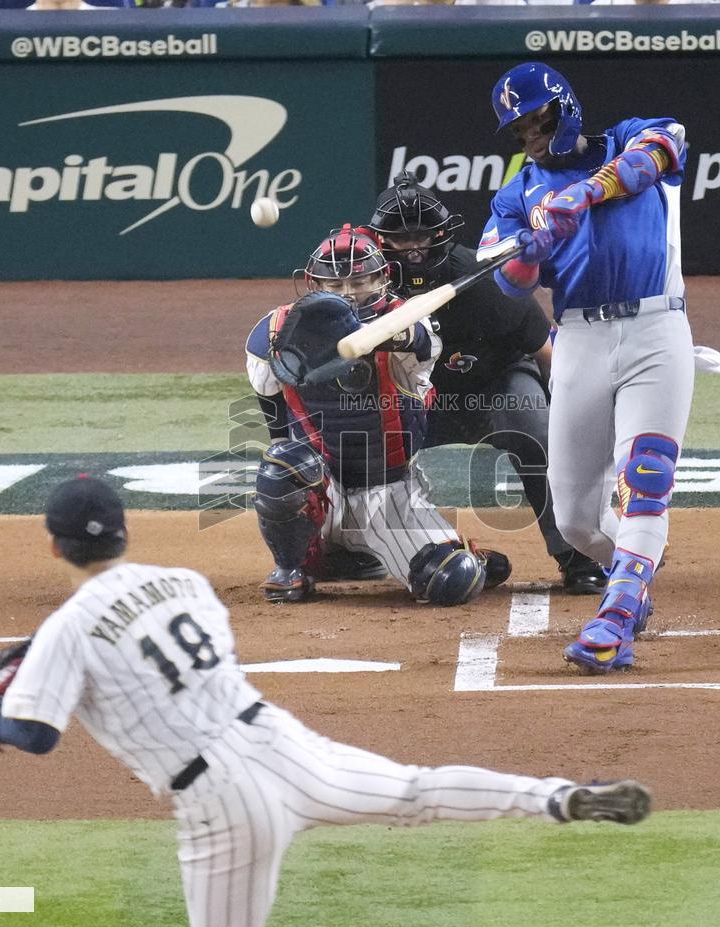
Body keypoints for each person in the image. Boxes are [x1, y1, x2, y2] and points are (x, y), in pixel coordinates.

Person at [0, 475, 653, 927]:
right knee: (416, 791)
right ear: (124, 528)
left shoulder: (68, 628)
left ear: (54, 543)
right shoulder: (184, 583)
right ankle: (555, 796)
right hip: (279, 741)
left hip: (220, 799)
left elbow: (33, 733)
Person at [478, 61, 695, 672]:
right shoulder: (517, 194)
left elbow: (656, 155)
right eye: (518, 131)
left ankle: (618, 614)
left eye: (534, 120)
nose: (529, 137)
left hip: (657, 328)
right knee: (575, 520)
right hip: (578, 341)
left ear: (561, 106)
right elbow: (510, 282)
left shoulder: (631, 134)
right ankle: (633, 575)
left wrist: (588, 191)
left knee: (645, 476)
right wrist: (528, 252)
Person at [367, 173, 607, 596]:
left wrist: (571, 420)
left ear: (443, 233)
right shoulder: (368, 286)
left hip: (495, 386)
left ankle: (579, 555)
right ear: (381, 241)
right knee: (359, 442)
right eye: (402, 239)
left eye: (423, 235)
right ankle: (360, 548)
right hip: (417, 400)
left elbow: (544, 352)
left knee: (534, 428)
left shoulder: (484, 282)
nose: (415, 248)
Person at [245, 225, 510, 606]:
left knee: (450, 582)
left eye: (360, 281)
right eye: (335, 285)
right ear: (312, 283)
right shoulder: (275, 329)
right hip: (325, 487)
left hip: (387, 492)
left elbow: (418, 343)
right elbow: (273, 415)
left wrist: (377, 335)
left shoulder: (410, 322)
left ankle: (460, 556)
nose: (349, 293)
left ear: (383, 277)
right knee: (284, 465)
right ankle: (296, 566)